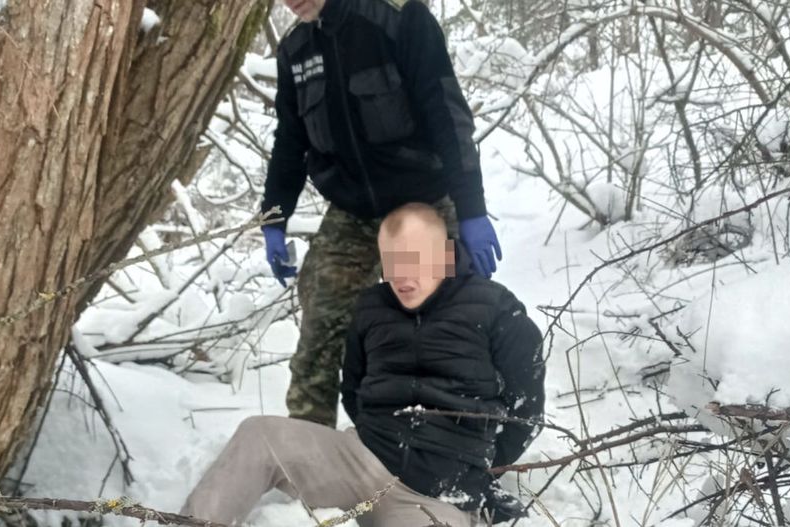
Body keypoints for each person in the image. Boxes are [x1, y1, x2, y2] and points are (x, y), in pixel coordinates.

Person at [181, 203, 544, 526]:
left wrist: (474, 469)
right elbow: (353, 389)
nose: (402, 276)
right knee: (259, 435)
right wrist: (374, 435)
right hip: (361, 459)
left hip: (434, 494)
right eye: (393, 261)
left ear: (443, 253)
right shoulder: (372, 307)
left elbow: (526, 411)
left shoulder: (496, 309)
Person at [261, 0, 503, 427]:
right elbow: (289, 142)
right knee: (319, 329)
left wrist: (472, 209)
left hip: (424, 202)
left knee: (452, 324)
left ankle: (465, 438)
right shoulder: (295, 50)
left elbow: (448, 116)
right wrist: (273, 219)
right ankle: (307, 446)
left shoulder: (399, 17)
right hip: (352, 212)